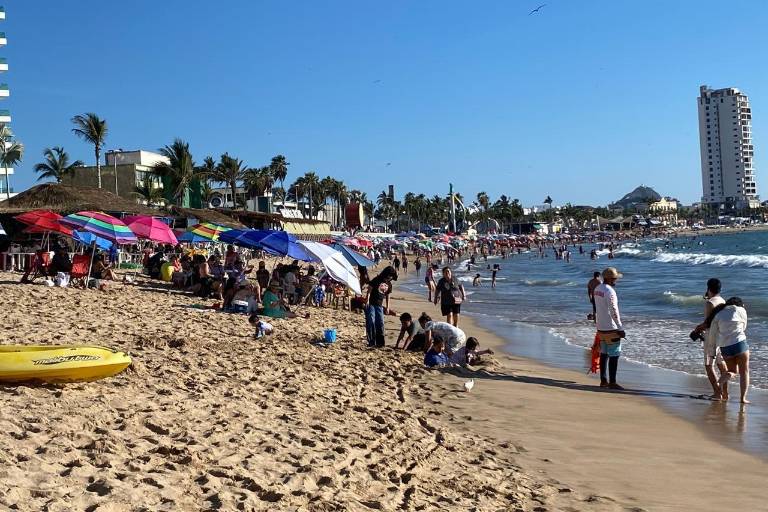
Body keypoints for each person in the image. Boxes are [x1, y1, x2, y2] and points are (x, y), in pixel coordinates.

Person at [704, 297, 750, 403]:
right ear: (739, 304)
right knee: (744, 372)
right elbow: (744, 326)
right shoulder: (741, 310)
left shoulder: (718, 315)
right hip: (739, 343)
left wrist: (712, 350)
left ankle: (719, 382)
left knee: (732, 371)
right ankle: (743, 398)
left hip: (725, 347)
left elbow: (713, 334)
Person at [690, 278, 728, 399]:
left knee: (709, 365)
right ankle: (725, 392)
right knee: (721, 365)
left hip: (711, 337)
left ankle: (717, 393)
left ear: (708, 288)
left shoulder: (710, 303)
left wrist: (697, 329)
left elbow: (707, 323)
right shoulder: (723, 301)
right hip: (722, 336)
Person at [593, 267, 625, 390]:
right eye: (615, 278)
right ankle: (612, 382)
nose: (616, 281)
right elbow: (614, 310)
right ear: (609, 279)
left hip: (601, 326)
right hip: (611, 328)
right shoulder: (610, 291)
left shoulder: (597, 289)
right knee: (614, 355)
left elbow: (597, 307)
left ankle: (603, 380)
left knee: (604, 354)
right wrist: (620, 327)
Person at [365, 266, 397, 347]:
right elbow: (369, 289)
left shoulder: (389, 284)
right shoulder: (377, 279)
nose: (390, 277)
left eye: (391, 276)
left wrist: (388, 307)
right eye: (390, 275)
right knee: (371, 321)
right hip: (371, 303)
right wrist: (367, 300)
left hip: (380, 306)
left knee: (380, 323)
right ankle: (371, 341)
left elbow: (388, 296)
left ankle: (380, 342)